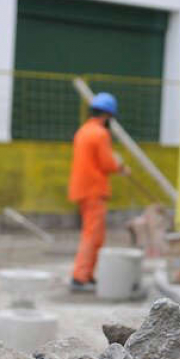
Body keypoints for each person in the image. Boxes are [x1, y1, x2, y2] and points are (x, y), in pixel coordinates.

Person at [68, 92, 129, 292]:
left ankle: (87, 275)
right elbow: (107, 163)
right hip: (94, 189)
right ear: (108, 115)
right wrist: (120, 166)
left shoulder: (83, 131)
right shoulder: (101, 134)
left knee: (95, 234)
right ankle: (80, 277)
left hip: (82, 188)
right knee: (92, 235)